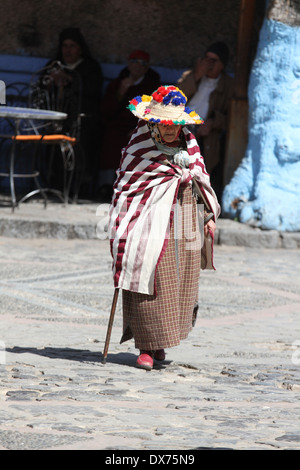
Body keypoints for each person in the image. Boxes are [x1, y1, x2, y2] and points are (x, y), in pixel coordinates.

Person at [108, 85, 220, 370]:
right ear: (152, 122)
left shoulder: (189, 142)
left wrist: (207, 216)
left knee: (177, 280)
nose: (171, 131)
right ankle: (146, 345)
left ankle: (162, 342)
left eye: (176, 125)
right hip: (148, 217)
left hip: (183, 217)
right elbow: (128, 185)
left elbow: (201, 177)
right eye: (164, 125)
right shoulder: (139, 144)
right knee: (149, 275)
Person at [41, 27, 103, 198]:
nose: (67, 50)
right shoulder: (53, 66)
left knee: (81, 142)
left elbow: (92, 91)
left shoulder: (90, 67)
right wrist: (52, 83)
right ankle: (54, 185)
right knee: (51, 142)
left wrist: (69, 80)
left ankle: (77, 188)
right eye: (64, 46)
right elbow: (40, 91)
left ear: (80, 48)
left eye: (72, 46)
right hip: (56, 118)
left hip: (81, 119)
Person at [98, 50, 160, 201]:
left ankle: (132, 188)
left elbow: (154, 112)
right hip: (117, 127)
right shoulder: (118, 83)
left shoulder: (152, 86)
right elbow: (106, 111)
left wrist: (140, 128)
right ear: (128, 63)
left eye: (142, 63)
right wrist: (121, 92)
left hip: (138, 126)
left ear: (147, 68)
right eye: (134, 61)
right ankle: (106, 187)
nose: (137, 66)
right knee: (109, 139)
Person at [177, 41, 233, 200]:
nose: (208, 64)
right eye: (206, 59)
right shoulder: (190, 76)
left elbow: (232, 116)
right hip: (182, 129)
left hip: (206, 135)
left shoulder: (228, 85)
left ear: (222, 65)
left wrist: (213, 122)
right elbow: (173, 98)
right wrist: (196, 75)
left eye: (213, 61)